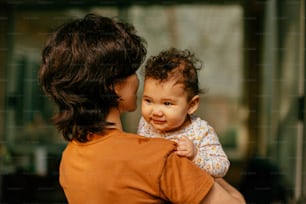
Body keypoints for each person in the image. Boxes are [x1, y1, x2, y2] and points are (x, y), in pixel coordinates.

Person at [39, 13, 245, 203]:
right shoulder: (159, 158)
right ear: (112, 86)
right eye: (132, 71)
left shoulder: (69, 158)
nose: (138, 81)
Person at [138, 48, 230, 178]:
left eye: (167, 103)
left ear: (191, 105)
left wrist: (195, 155)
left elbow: (222, 166)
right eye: (148, 100)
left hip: (187, 194)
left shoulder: (200, 131)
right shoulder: (145, 124)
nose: (156, 111)